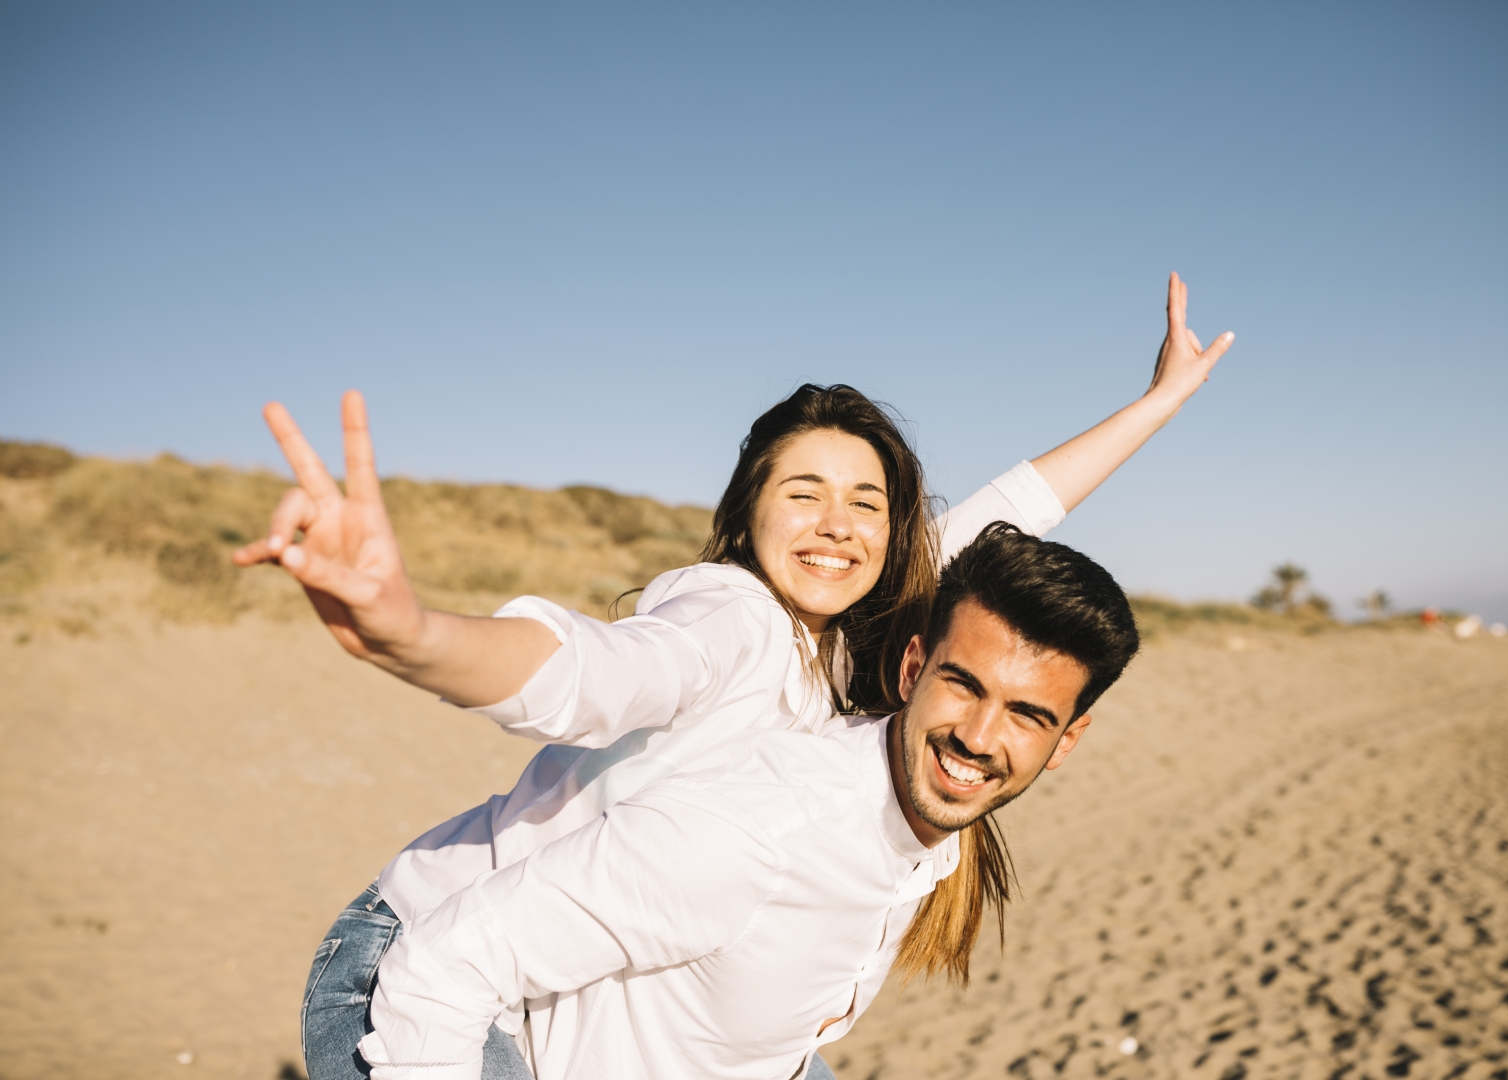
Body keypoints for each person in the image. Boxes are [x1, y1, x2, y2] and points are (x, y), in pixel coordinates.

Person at [235, 274, 1231, 1078]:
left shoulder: (862, 637)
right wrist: (409, 632)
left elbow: (1015, 510)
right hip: (432, 950)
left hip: (588, 970)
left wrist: (1159, 403)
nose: (836, 523)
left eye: (865, 504)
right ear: (749, 513)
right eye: (803, 493)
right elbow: (588, 671)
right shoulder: (726, 622)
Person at [342, 524, 1139, 1080]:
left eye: (1028, 716)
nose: (977, 736)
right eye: (963, 685)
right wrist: (412, 633)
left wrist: (1157, 405)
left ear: (1065, 741)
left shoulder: (936, 840)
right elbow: (444, 968)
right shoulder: (756, 829)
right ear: (912, 670)